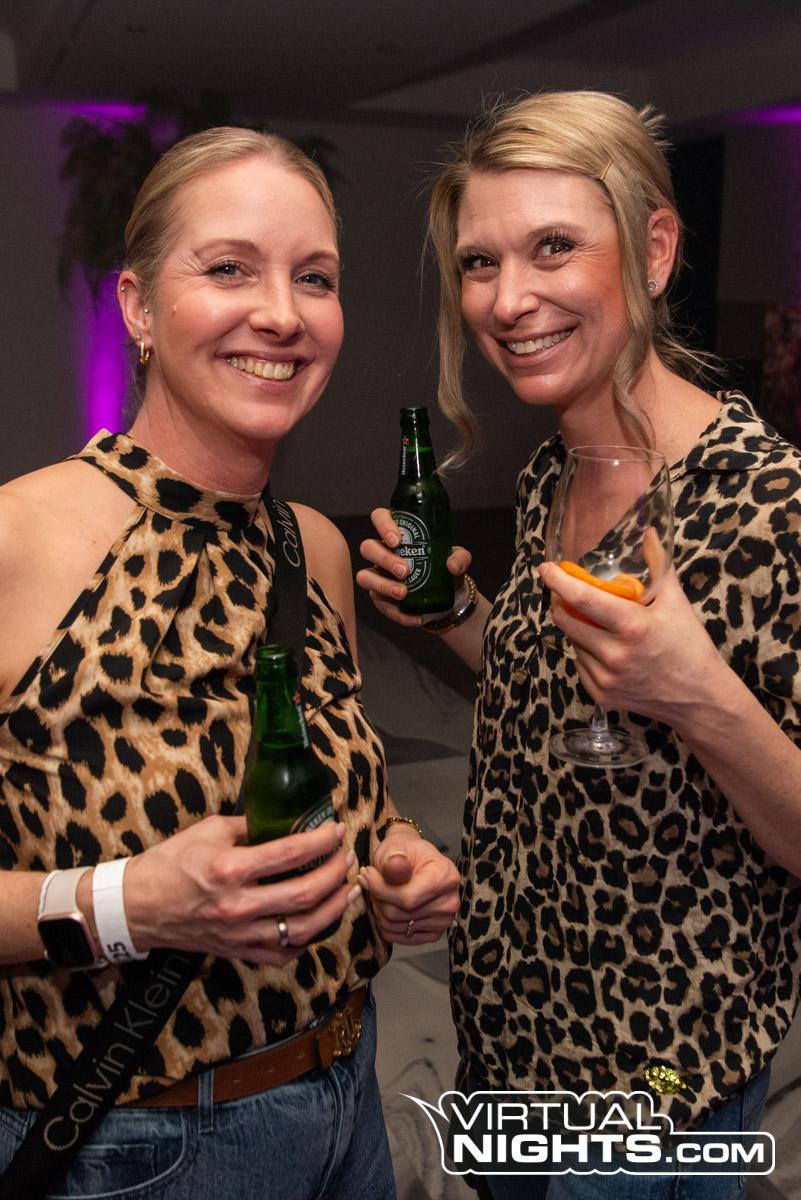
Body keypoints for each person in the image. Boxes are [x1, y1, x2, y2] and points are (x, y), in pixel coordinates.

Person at [0, 126, 459, 1200]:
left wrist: (396, 853)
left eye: (315, 278)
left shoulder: (313, 547)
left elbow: (334, 788)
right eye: (229, 269)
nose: (283, 315)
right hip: (137, 1146)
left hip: (349, 1096)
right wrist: (132, 904)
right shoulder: (21, 540)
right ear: (138, 308)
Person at [357, 90, 801, 1200]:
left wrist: (695, 693)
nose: (508, 300)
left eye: (554, 247)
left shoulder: (769, 507)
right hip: (511, 1037)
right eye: (479, 262)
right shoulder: (560, 469)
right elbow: (568, 688)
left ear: (653, 251)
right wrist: (461, 619)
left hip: (653, 1084)